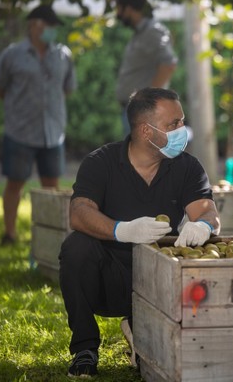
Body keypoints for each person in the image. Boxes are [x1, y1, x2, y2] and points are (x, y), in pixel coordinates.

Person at [58, 87, 220, 377]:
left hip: (162, 281)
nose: (182, 130)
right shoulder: (101, 163)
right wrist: (122, 230)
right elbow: (79, 213)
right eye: (174, 124)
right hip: (109, 279)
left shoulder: (187, 168)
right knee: (75, 247)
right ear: (146, 131)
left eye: (182, 121)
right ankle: (85, 347)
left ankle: (140, 326)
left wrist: (203, 224)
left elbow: (206, 209)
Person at [0, 4, 77, 246]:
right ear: (34, 25)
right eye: (49, 25)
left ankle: (54, 236)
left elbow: (68, 88)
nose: (52, 31)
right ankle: (10, 234)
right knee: (14, 183)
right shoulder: (12, 54)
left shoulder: (63, 55)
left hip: (53, 133)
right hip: (20, 131)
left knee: (52, 187)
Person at [109, 0, 178, 136]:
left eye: (119, 8)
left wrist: (149, 103)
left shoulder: (152, 31)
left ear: (129, 8)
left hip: (144, 115)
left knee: (141, 159)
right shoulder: (141, 33)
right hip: (135, 112)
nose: (118, 13)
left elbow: (169, 64)